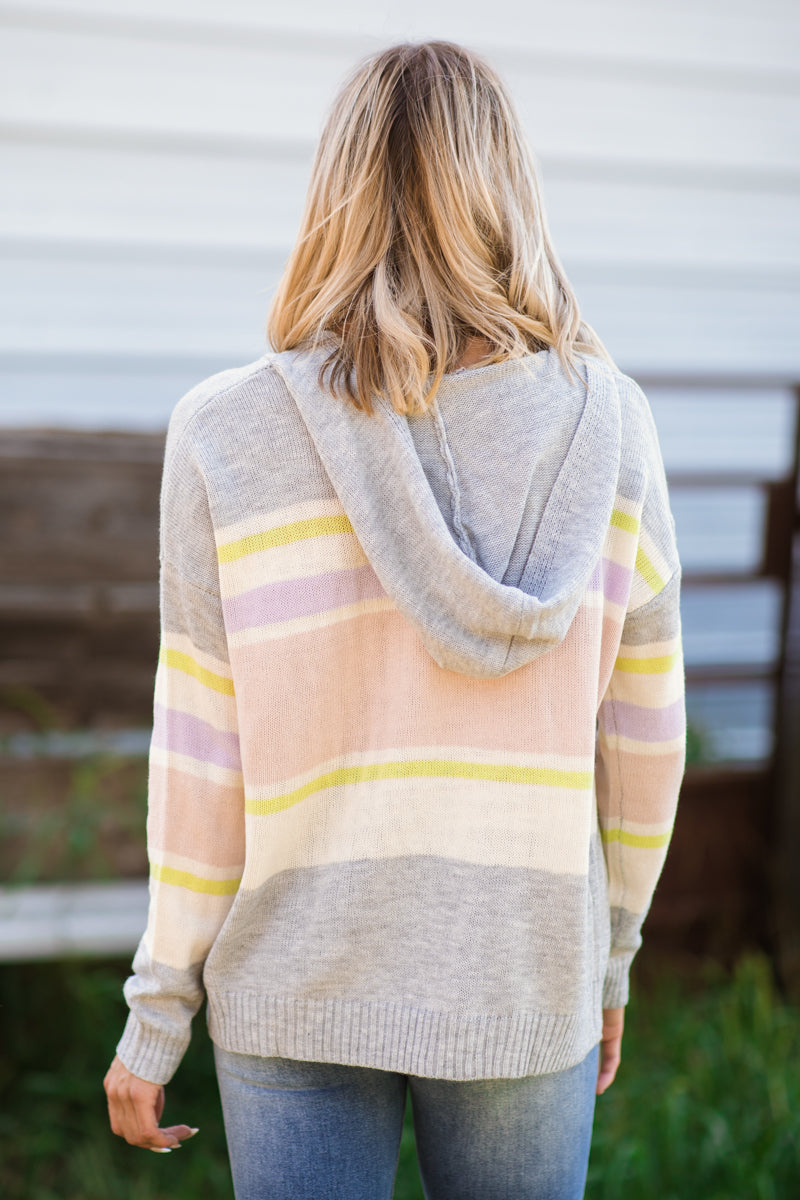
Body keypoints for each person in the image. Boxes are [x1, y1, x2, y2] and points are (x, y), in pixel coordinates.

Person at [104, 39, 685, 1200]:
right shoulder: (612, 427)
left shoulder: (225, 431)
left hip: (295, 978)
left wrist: (159, 1005)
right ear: (505, 190)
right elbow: (645, 744)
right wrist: (608, 957)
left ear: (338, 191)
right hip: (521, 974)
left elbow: (202, 750)